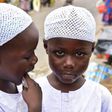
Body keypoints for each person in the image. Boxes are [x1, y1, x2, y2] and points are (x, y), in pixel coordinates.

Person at [36, 5, 112, 112]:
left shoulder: (101, 97)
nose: (69, 63)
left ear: (91, 50)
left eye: (79, 54)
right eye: (60, 52)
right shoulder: (31, 92)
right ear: (46, 47)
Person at [0, 3, 42, 112]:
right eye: (27, 56)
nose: (35, 59)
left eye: (34, 51)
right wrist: (34, 108)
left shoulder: (16, 84)